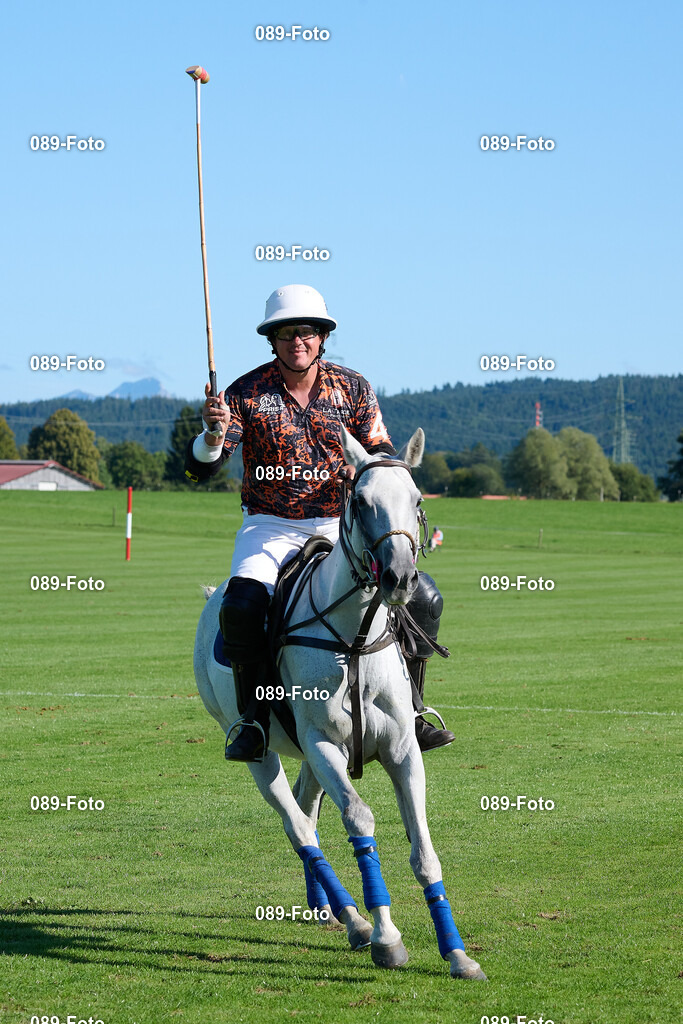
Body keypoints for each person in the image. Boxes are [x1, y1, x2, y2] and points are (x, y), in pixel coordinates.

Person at [185, 284, 455, 761]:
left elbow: (382, 452)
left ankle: (412, 710)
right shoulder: (245, 393)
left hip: (339, 526)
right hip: (269, 526)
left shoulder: (352, 387)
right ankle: (252, 722)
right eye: (287, 333)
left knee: (424, 597)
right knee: (243, 607)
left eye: (307, 332)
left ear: (322, 337)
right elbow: (201, 468)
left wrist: (372, 469)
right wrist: (209, 433)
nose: (298, 341)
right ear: (272, 339)